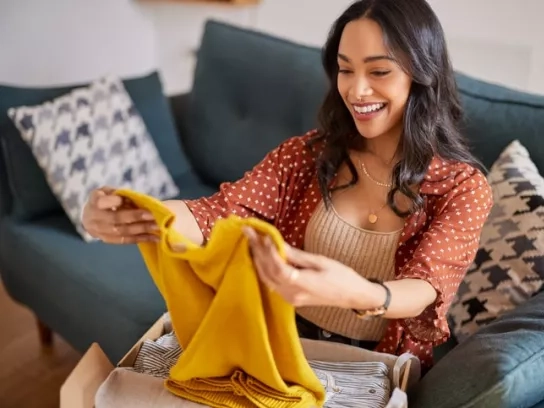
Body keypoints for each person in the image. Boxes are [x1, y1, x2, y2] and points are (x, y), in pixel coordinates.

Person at [81, 0, 493, 372]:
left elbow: (426, 286)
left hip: (376, 369)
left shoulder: (462, 188)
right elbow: (218, 214)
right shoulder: (306, 156)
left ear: (422, 75)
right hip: (277, 347)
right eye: (346, 69)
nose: (357, 89)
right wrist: (137, 211)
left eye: (379, 71)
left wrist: (360, 292)